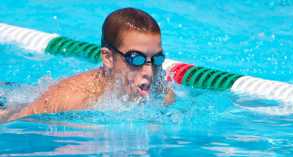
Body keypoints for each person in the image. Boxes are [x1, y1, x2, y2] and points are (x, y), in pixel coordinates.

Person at [7, 7, 174, 121]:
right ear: (108, 58)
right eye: (136, 59)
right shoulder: (74, 98)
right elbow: (17, 125)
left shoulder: (160, 93)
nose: (149, 72)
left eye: (157, 59)